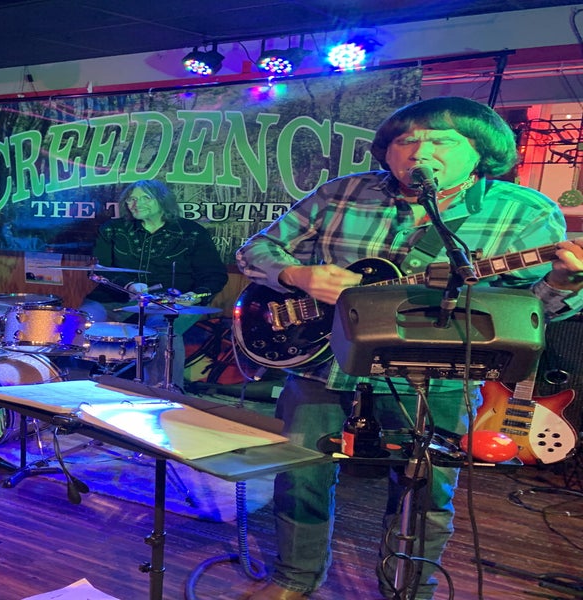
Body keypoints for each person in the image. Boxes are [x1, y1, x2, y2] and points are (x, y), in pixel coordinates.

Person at [235, 96, 583, 600]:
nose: (420, 151)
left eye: (441, 141)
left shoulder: (524, 213)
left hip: (440, 376)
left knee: (425, 492)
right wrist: (296, 274)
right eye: (406, 140)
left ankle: (409, 591)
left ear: (480, 151)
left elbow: (532, 311)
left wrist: (564, 284)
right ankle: (294, 578)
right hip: (324, 366)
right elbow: (254, 250)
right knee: (299, 475)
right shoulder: (341, 193)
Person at [79, 179, 228, 383]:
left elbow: (215, 275)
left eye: (145, 198)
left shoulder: (192, 233)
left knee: (162, 332)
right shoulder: (112, 229)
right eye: (131, 199)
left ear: (162, 200)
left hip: (168, 302)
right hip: (114, 299)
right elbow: (101, 268)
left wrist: (195, 295)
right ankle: (75, 384)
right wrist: (129, 286)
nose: (136, 204)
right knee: (81, 322)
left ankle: (162, 390)